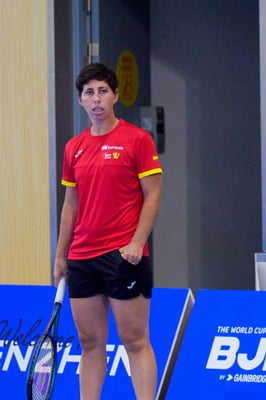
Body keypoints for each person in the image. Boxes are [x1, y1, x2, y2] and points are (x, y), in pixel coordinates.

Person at [53, 63, 162, 400]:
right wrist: (61, 255)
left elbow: (153, 194)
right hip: (82, 258)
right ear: (81, 101)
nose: (96, 98)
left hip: (123, 257)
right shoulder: (74, 147)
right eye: (89, 92)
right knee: (89, 344)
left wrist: (137, 243)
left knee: (135, 341)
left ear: (115, 96)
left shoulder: (137, 140)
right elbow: (71, 204)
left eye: (103, 91)